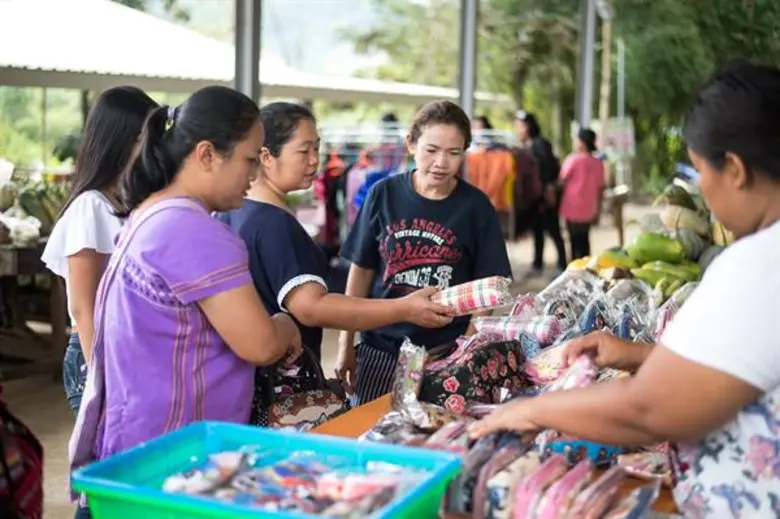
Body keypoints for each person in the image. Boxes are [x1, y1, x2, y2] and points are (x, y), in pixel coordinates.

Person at [470, 61, 780, 518]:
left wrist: (534, 412)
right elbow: (742, 370)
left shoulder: (758, 264)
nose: (703, 191)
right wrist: (636, 356)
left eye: (699, 172)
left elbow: (650, 410)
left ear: (734, 169)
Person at [70, 87, 303, 518]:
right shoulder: (192, 231)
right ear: (207, 154)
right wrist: (285, 325)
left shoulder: (151, 212)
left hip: (135, 446)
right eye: (250, 159)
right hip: (175, 460)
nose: (254, 175)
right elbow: (261, 346)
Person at [216, 102, 453, 423]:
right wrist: (404, 308)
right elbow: (312, 307)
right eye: (304, 151)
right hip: (282, 391)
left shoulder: (234, 209)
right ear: (266, 156)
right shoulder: (273, 223)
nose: (315, 160)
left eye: (317, 148)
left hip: (249, 384)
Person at [336, 100, 513, 405]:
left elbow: (488, 288)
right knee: (372, 435)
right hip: (381, 349)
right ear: (410, 144)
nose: (441, 163)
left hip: (445, 354)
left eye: (454, 153)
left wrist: (465, 349)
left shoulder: (476, 207)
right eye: (431, 150)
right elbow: (361, 270)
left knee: (433, 436)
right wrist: (345, 343)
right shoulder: (383, 195)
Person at [42, 86, 158, 416]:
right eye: (142, 139)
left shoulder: (130, 201)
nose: (150, 148)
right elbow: (82, 307)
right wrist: (104, 379)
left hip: (128, 347)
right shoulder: (90, 208)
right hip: (98, 352)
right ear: (119, 140)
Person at [515, 111, 567, 274]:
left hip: (545, 195)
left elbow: (548, 169)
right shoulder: (526, 146)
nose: (517, 129)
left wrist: (549, 190)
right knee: (537, 230)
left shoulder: (540, 144)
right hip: (534, 198)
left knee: (553, 230)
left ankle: (562, 264)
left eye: (519, 126)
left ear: (528, 126)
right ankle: (537, 264)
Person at [558, 128, 606, 260]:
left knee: (574, 241)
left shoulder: (573, 160)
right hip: (589, 209)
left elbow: (561, 180)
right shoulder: (598, 163)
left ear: (582, 143)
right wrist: (599, 209)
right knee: (585, 240)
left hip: (572, 207)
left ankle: (574, 268)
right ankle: (586, 267)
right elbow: (601, 188)